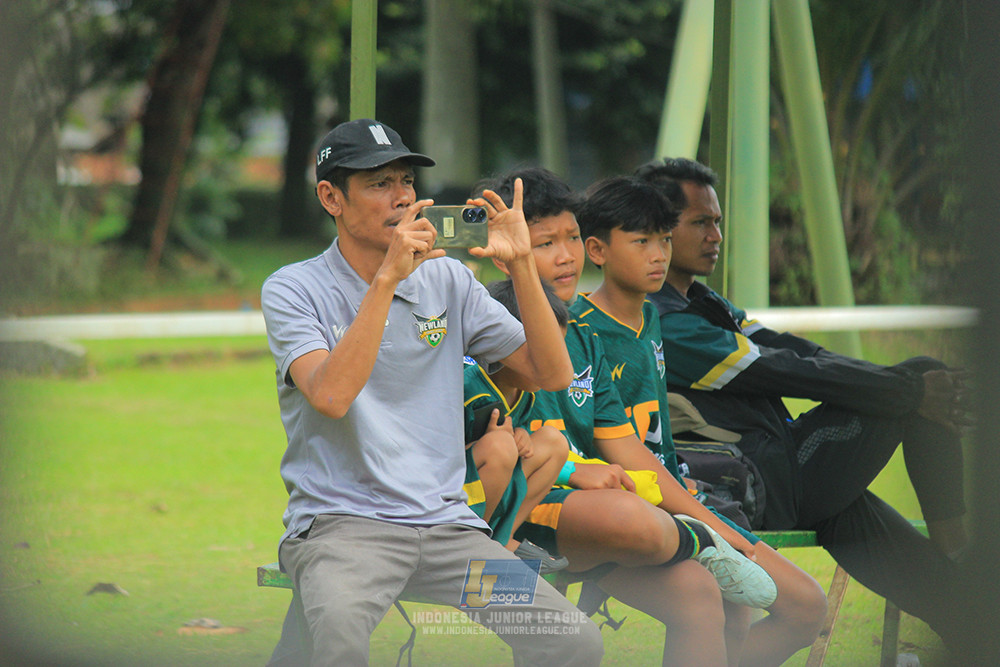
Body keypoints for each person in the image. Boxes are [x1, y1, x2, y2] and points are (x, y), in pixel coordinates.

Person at [259, 118, 603, 667]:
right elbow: (331, 396)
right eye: (378, 184)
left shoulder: (449, 281)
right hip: (344, 530)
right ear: (331, 198)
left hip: (451, 536)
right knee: (340, 639)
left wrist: (520, 267)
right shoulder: (293, 288)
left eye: (406, 182)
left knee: (571, 638)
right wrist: (386, 281)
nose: (401, 198)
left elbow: (551, 373)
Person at [479, 167, 819, 667]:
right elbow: (515, 447)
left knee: (758, 601)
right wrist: (698, 520)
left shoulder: (589, 336)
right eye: (545, 242)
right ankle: (697, 537)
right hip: (532, 514)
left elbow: (628, 450)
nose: (566, 255)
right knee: (643, 527)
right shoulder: (490, 322)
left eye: (571, 236)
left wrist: (698, 512)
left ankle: (699, 535)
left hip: (608, 510)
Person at [637, 156, 972, 649]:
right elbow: (780, 370)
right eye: (701, 223)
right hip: (762, 485)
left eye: (718, 222)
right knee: (921, 377)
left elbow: (794, 349)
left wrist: (898, 384)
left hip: (792, 470)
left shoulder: (704, 303)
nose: (716, 236)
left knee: (956, 603)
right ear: (659, 230)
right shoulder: (665, 322)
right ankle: (961, 548)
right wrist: (910, 390)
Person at [462, 278, 571, 571]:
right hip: (448, 498)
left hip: (489, 486)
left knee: (553, 441)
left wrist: (520, 434)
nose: (553, 360)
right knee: (499, 447)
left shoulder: (525, 392)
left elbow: (518, 431)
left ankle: (503, 537)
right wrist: (487, 444)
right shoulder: (466, 382)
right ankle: (470, 545)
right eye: (542, 349)